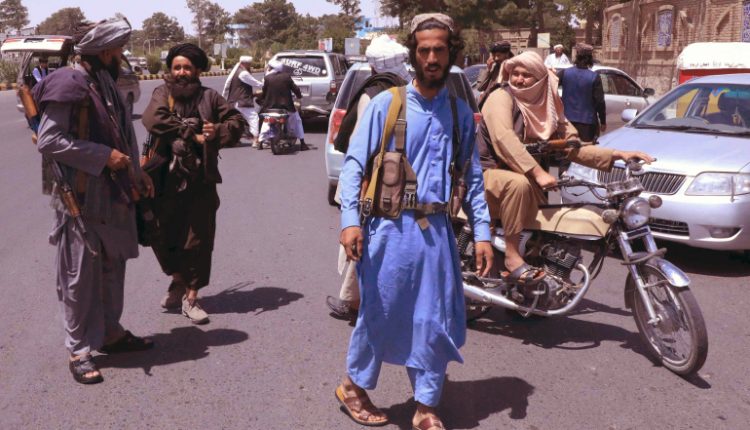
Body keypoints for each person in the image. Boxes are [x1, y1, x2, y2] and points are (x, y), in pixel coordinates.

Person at [336, 13, 493, 430]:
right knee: (379, 312)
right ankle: (353, 387)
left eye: (439, 50)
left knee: (433, 318)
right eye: (424, 50)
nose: (432, 58)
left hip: (438, 232)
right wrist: (350, 221)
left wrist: (482, 233)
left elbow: (473, 176)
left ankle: (426, 404)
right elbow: (353, 165)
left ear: (451, 53)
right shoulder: (388, 104)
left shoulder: (460, 113)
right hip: (389, 229)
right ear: (414, 55)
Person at [35, 15, 155, 385]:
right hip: (81, 198)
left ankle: (111, 334)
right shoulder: (70, 82)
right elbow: (49, 140)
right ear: (103, 51)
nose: (121, 55)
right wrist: (104, 157)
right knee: (78, 277)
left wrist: (137, 172)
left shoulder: (103, 81)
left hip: (114, 195)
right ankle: (78, 350)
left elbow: (122, 132)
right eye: (118, 49)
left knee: (112, 267)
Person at [478, 51, 652, 285]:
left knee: (556, 219)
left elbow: (573, 147)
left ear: (540, 79)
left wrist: (617, 154)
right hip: (486, 173)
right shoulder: (501, 97)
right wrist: (538, 173)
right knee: (517, 184)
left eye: (526, 75)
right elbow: (504, 140)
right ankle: (511, 255)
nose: (518, 79)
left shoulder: (549, 107)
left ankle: (545, 270)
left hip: (529, 178)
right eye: (515, 74)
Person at [141, 43, 246, 324]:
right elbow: (153, 119)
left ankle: (191, 297)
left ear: (198, 70)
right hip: (163, 181)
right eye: (177, 67)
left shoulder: (210, 97)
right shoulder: (162, 93)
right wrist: (192, 132)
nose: (181, 72)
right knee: (161, 235)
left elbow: (237, 122)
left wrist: (216, 130)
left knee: (198, 241)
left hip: (200, 181)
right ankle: (177, 279)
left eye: (187, 67)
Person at [325, 34, 411, 320]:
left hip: (373, 181)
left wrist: (360, 185)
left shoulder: (372, 94)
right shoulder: (408, 89)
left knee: (362, 238)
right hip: (399, 179)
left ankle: (353, 302)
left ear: (373, 66)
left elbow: (359, 148)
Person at [557, 43, 606, 141]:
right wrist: (603, 121)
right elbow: (599, 102)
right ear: (590, 58)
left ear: (577, 56)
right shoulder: (594, 77)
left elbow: (551, 87)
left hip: (566, 122)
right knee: (585, 149)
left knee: (566, 149)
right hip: (587, 124)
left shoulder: (564, 73)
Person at [258, 59, 308, 150]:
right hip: (286, 107)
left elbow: (264, 93)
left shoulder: (267, 78)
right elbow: (295, 89)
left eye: (269, 67)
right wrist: (299, 96)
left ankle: (260, 143)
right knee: (297, 121)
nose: (268, 68)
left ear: (272, 68)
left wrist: (261, 100)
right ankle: (302, 143)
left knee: (266, 122)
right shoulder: (286, 77)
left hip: (270, 107)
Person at [222, 55, 263, 146]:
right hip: (242, 102)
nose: (250, 66)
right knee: (254, 118)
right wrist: (266, 85)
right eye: (249, 64)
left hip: (235, 102)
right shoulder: (243, 73)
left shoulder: (237, 71)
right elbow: (255, 83)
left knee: (239, 121)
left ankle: (235, 140)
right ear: (245, 63)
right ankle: (256, 139)